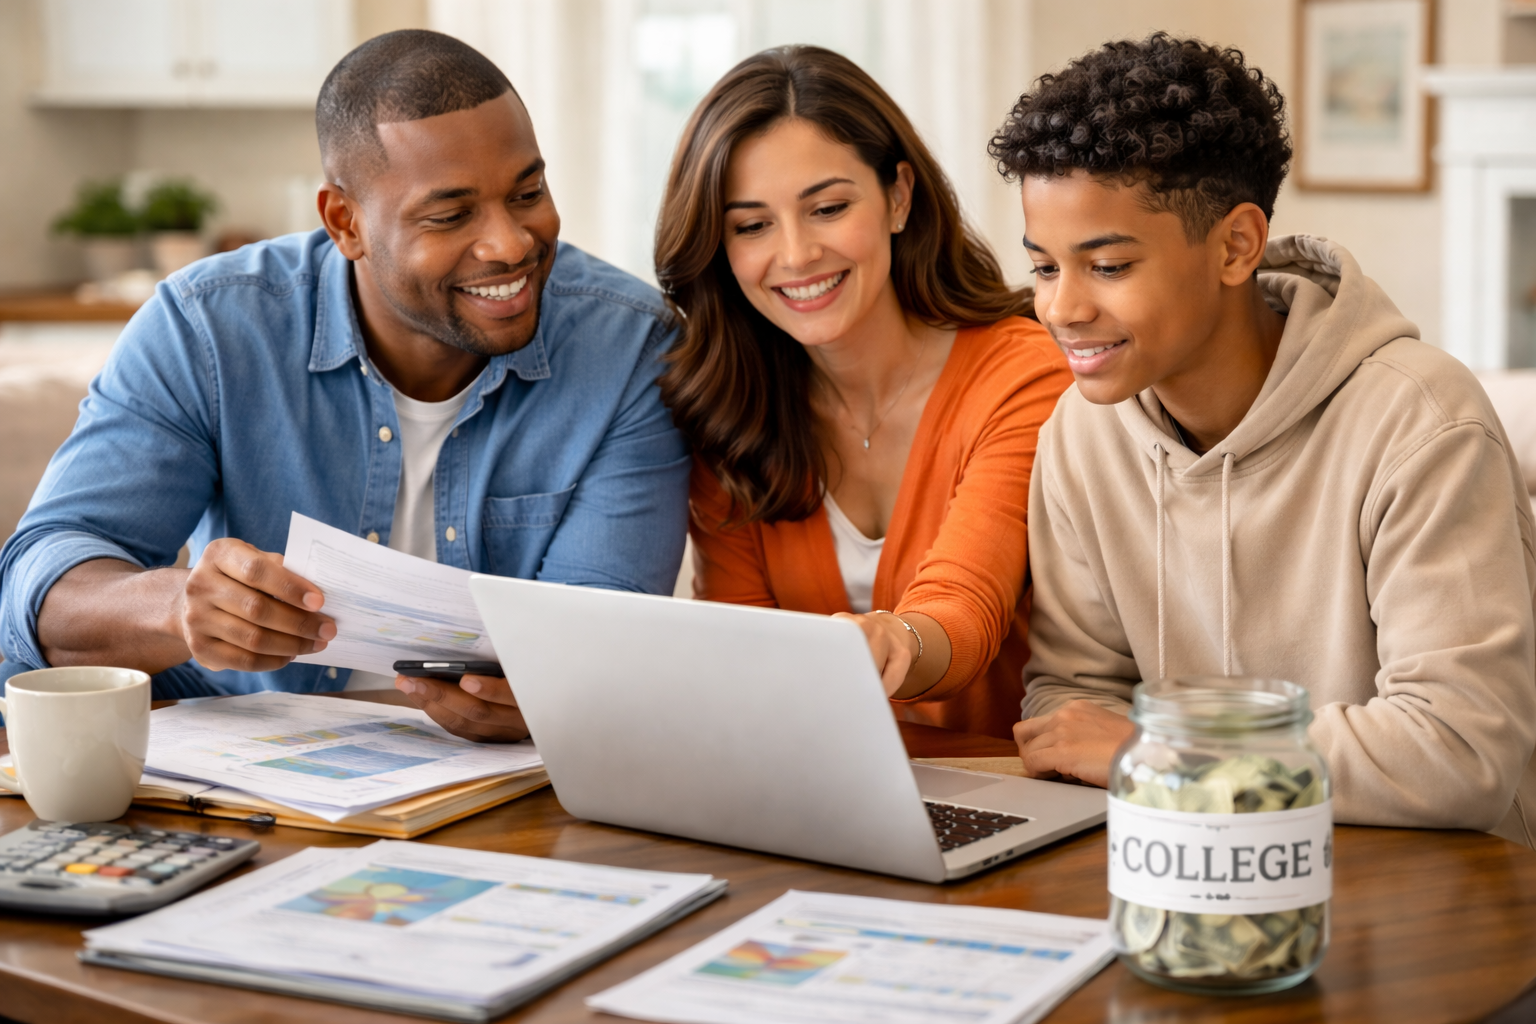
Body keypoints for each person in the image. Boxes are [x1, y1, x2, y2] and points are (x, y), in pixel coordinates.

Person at [0, 30, 689, 742]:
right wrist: (180, 609)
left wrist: (552, 688)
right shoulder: (207, 327)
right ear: (345, 222)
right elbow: (41, 582)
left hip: (502, 785)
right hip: (244, 759)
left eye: (528, 192)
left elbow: (605, 636)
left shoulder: (630, 348)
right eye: (451, 215)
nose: (511, 242)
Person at [992, 34, 1536, 840]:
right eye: (1044, 267)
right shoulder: (1083, 429)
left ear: (1236, 246)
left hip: (1436, 894)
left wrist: (1163, 754)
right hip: (1195, 872)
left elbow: (1457, 754)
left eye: (1107, 267)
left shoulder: (1422, 421)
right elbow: (1077, 697)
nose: (1062, 309)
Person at [657, 46, 1072, 740]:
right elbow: (744, 652)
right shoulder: (728, 405)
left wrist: (899, 640)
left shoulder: (1021, 376)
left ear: (899, 197)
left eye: (827, 207)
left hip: (1003, 789)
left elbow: (966, 605)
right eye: (751, 225)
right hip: (812, 793)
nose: (795, 255)